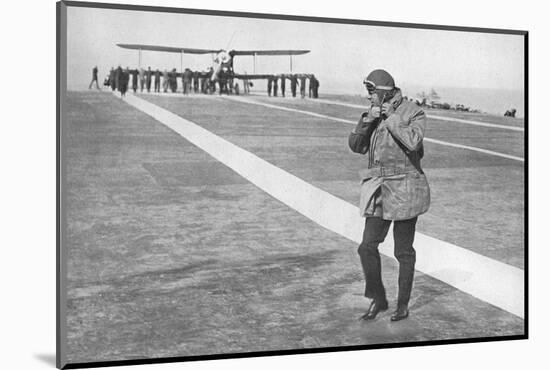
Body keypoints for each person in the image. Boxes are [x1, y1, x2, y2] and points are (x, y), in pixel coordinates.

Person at [348, 69, 430, 322]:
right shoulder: (373, 112)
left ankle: (402, 305)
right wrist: (366, 121)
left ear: (383, 92)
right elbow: (356, 147)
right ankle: (378, 298)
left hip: (406, 187)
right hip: (379, 187)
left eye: (371, 92)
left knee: (403, 251)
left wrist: (391, 117)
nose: (368, 97)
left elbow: (414, 141)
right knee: (366, 247)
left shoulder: (413, 111)